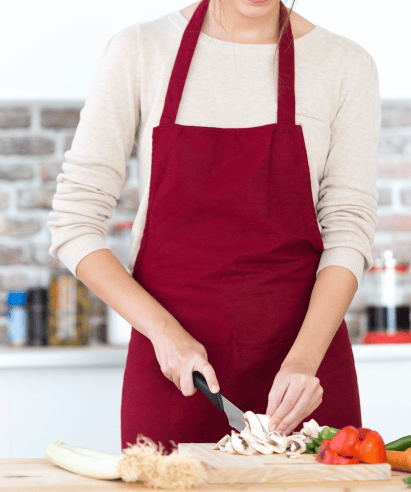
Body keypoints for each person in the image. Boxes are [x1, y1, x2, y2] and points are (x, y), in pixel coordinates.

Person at [48, 0, 380, 451]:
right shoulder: (141, 50)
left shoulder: (344, 64)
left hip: (304, 380)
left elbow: (348, 228)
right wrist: (165, 335)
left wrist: (304, 360)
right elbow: (74, 220)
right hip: (176, 373)